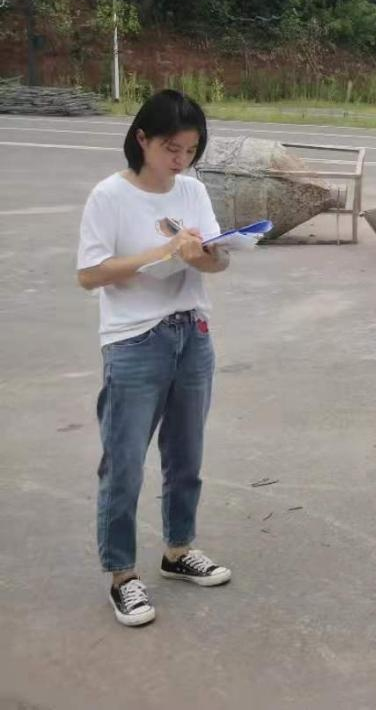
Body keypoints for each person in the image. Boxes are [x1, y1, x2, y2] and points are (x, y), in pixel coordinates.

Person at [76, 89, 233, 627]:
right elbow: (90, 274)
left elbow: (217, 264)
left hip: (193, 333)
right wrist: (164, 251)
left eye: (190, 150)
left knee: (186, 455)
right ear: (141, 138)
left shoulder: (192, 190)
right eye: (171, 148)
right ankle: (122, 575)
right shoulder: (109, 196)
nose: (180, 160)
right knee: (123, 463)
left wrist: (205, 254)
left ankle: (178, 550)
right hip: (134, 341)